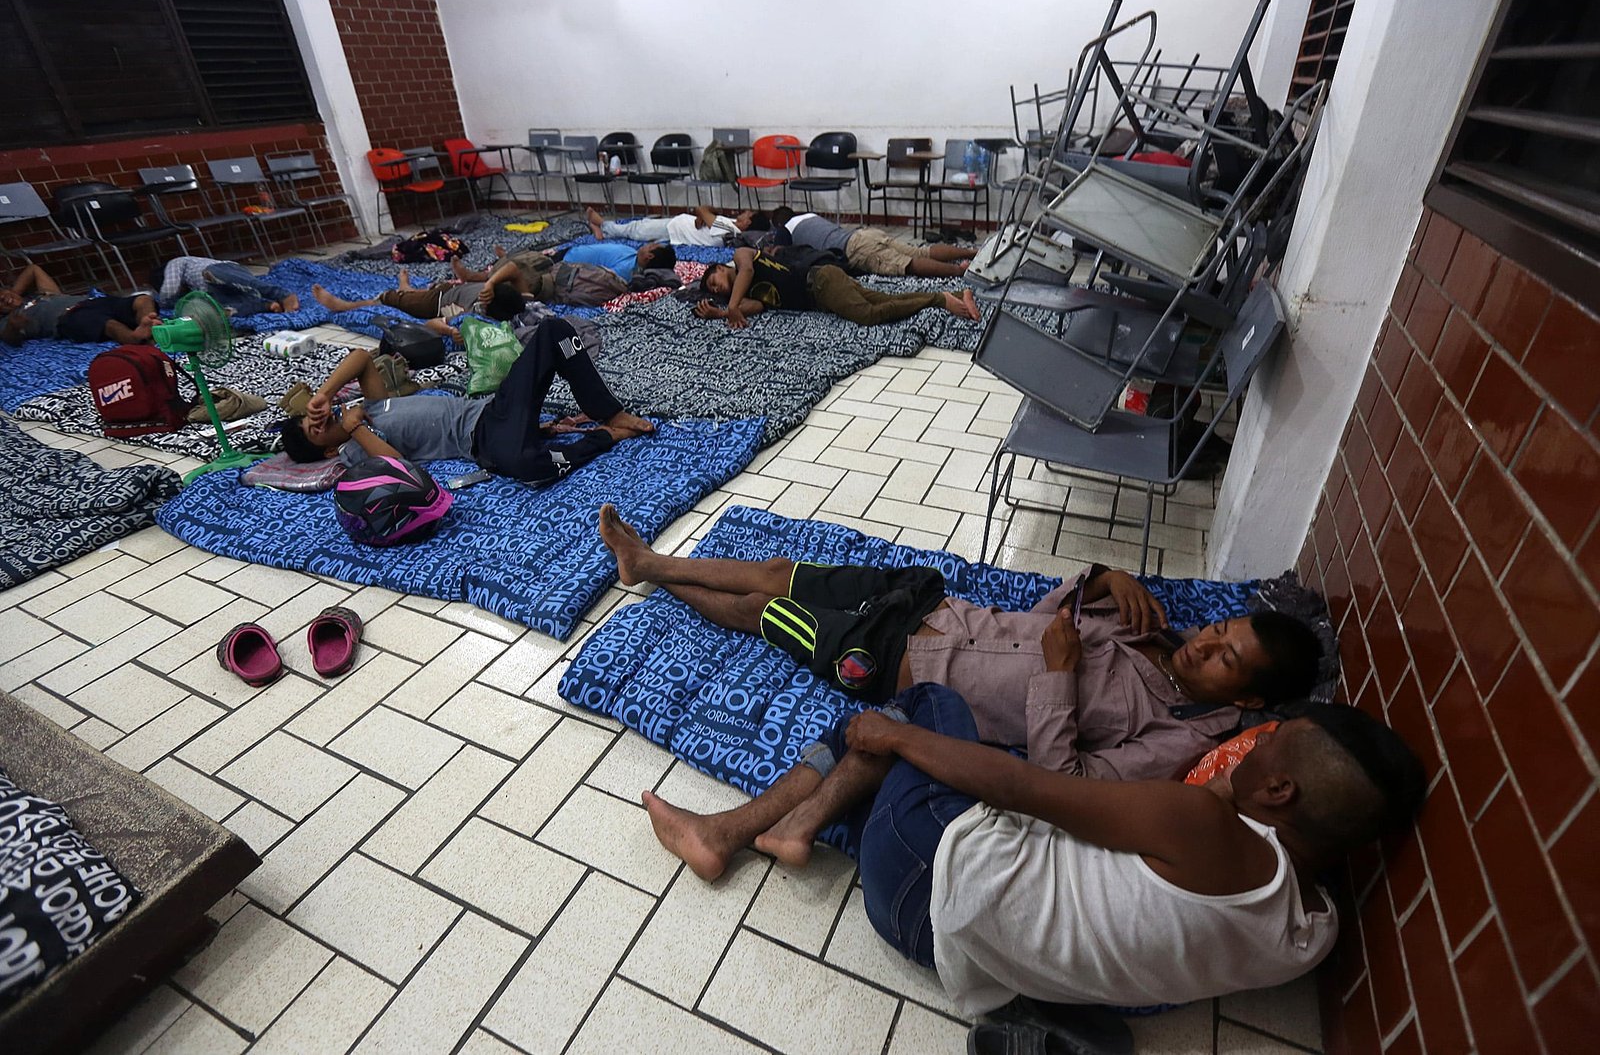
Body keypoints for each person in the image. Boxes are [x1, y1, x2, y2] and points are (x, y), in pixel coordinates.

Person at [641, 683, 1425, 1013]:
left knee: (924, 709)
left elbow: (1022, 785)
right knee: (919, 760)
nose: (1247, 749)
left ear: (1279, 795)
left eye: (1265, 748)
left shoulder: (1200, 824)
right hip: (950, 949)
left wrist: (896, 733)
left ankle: (734, 830)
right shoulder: (1314, 930)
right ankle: (807, 823)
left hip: (924, 871)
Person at [598, 504, 1323, 779]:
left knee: (767, 610)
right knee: (784, 570)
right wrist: (1102, 578)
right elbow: (1048, 616)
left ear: (1250, 697)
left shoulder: (1173, 739)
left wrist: (1059, 677)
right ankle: (653, 563)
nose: (1205, 643)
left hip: (901, 666)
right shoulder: (1157, 631)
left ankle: (654, 575)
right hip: (934, 608)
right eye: (1219, 629)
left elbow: (1060, 783)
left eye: (1225, 656)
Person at [277, 320, 654, 484]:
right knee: (527, 467)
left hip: (493, 409)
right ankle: (606, 436)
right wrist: (352, 428)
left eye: (318, 417)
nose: (323, 420)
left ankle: (611, 412)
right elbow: (400, 466)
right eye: (318, 429)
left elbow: (360, 358)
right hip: (485, 443)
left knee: (555, 331)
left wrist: (324, 395)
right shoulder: (354, 451)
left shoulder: (372, 404)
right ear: (327, 452)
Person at [695, 247, 980, 330]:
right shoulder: (742, 295)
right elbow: (754, 308)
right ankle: (957, 296)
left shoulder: (741, 255)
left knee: (868, 315)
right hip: (824, 293)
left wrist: (731, 306)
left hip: (820, 282)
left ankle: (938, 299)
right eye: (714, 290)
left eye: (714, 282)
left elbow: (746, 270)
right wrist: (723, 313)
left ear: (720, 268)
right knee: (886, 299)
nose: (717, 289)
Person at [771, 205, 976, 278]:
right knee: (920, 251)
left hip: (854, 249)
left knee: (907, 264)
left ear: (778, 223)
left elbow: (781, 254)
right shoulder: (809, 215)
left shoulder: (785, 229)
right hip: (866, 234)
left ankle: (960, 271)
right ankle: (972, 253)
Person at [449, 243, 674, 307]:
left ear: (651, 256)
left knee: (529, 264)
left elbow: (597, 275)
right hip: (567, 255)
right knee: (528, 259)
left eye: (651, 246)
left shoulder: (626, 269)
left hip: (565, 263)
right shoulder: (631, 255)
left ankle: (478, 276)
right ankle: (500, 262)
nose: (647, 245)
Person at [1, 263, 160, 346]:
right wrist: (13, 327)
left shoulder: (43, 293)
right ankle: (135, 338)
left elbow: (33, 269)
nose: (3, 298)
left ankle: (151, 329)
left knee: (143, 300)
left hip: (94, 302)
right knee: (109, 325)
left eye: (2, 293)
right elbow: (10, 339)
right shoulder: (7, 320)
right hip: (69, 317)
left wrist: (13, 294)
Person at [310, 270, 527, 326]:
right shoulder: (484, 302)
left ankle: (405, 289)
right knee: (389, 298)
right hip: (442, 295)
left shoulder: (488, 303)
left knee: (401, 298)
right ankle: (345, 306)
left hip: (442, 296)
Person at [156, 255, 299, 316]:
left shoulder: (176, 263)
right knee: (218, 310)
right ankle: (267, 306)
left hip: (222, 271)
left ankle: (282, 295)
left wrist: (164, 302)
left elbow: (168, 290)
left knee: (210, 274)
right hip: (219, 291)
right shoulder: (193, 290)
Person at [586, 205, 769, 247]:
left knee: (637, 229)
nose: (744, 211)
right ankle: (603, 231)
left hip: (675, 228)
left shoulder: (731, 230)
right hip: (677, 230)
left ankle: (601, 223)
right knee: (640, 229)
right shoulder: (728, 223)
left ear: (748, 222)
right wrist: (704, 215)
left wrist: (702, 213)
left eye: (748, 213)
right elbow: (705, 211)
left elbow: (700, 208)